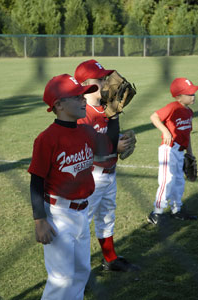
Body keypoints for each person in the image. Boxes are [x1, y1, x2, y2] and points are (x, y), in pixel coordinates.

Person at [28, 74, 115, 300]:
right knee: (62, 278)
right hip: (58, 213)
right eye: (76, 97)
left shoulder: (86, 131)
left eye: (83, 95)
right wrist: (40, 221)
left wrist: (114, 118)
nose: (84, 100)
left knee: (81, 272)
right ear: (58, 105)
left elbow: (109, 148)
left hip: (82, 211)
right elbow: (36, 180)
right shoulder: (47, 138)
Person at [75, 59, 140, 272]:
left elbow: (105, 136)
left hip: (110, 173)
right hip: (90, 176)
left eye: (105, 78)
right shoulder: (80, 115)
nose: (105, 83)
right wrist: (114, 148)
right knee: (82, 224)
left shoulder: (107, 108)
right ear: (85, 84)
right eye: (100, 79)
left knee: (107, 215)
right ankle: (77, 268)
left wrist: (119, 136)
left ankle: (110, 258)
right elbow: (81, 149)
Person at [147, 77, 198, 225]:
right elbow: (154, 116)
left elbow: (187, 134)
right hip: (168, 150)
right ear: (178, 96)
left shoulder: (188, 112)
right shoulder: (173, 107)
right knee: (167, 180)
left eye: (193, 93)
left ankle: (177, 209)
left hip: (180, 151)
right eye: (189, 94)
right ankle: (156, 213)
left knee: (179, 181)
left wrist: (190, 153)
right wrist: (165, 131)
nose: (193, 96)